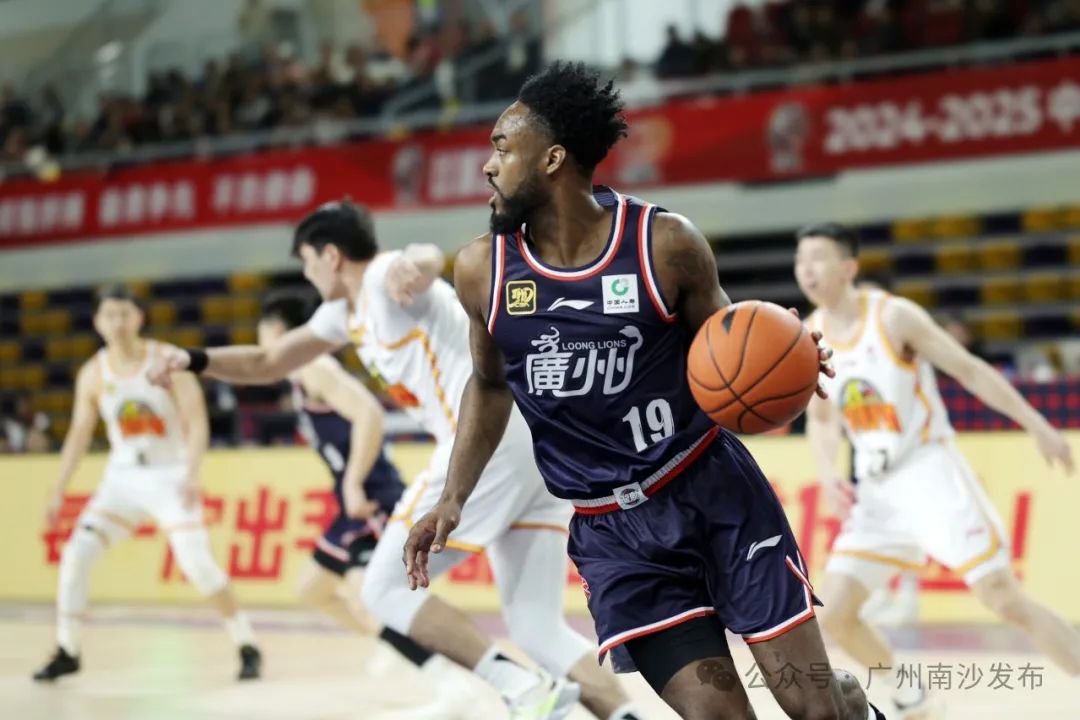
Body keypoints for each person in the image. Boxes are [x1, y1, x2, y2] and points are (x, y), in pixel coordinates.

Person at [404, 61, 881, 720]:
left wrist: (792, 356)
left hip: (712, 493)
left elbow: (731, 347)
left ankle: (850, 703)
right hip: (614, 534)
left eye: (502, 149)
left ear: (552, 159)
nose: (488, 166)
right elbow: (489, 384)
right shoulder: (483, 270)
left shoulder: (664, 245)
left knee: (816, 709)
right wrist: (452, 497)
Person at [148, 206, 642, 720]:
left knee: (382, 587)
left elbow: (420, 261)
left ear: (330, 255)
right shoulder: (343, 314)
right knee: (535, 625)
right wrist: (195, 360)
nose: (307, 274)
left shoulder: (384, 278)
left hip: (484, 439)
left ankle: (522, 687)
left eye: (307, 261)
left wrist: (419, 260)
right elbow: (269, 361)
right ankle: (633, 717)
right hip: (535, 442)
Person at [794, 222, 1079, 716]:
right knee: (835, 616)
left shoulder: (893, 316)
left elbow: (969, 369)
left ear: (848, 267)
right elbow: (821, 417)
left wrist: (1037, 424)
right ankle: (915, 697)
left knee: (1003, 598)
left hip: (927, 471)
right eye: (801, 260)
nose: (807, 270)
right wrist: (827, 471)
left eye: (818, 257)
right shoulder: (810, 336)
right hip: (876, 490)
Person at [256, 289, 474, 717]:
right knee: (313, 590)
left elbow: (369, 415)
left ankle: (449, 686)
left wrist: (353, 482)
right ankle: (391, 639)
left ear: (278, 332)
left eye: (263, 333)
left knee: (366, 595)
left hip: (372, 498)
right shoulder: (300, 376)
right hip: (351, 504)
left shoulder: (316, 367)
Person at [34, 285, 261, 682]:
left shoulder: (167, 360)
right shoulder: (93, 373)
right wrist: (58, 489)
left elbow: (197, 421)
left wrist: (193, 473)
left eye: (124, 314)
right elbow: (79, 434)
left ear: (139, 317)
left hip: (170, 474)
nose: (117, 323)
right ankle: (68, 649)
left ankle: (246, 643)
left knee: (198, 566)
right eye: (109, 315)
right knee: (75, 556)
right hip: (122, 480)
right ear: (97, 322)